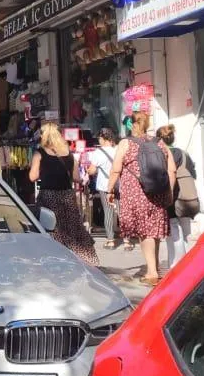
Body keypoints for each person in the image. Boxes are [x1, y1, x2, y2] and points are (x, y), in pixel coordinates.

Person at [107, 110, 176, 287]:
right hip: (158, 192)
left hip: (137, 192)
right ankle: (153, 267)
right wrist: (169, 191)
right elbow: (172, 169)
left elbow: (116, 169)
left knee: (145, 232)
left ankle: (152, 271)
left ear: (131, 124)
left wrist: (110, 190)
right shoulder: (159, 142)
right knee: (154, 231)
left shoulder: (126, 143)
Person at [29, 122, 99, 266]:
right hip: (67, 195)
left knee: (51, 228)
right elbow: (75, 178)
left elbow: (32, 177)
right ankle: (83, 259)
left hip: (48, 196)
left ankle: (54, 258)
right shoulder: (68, 154)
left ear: (44, 136)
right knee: (72, 228)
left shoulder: (39, 153)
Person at [157, 124, 201, 268]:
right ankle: (191, 263)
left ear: (159, 139)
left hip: (170, 196)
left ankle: (176, 264)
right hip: (185, 196)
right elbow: (193, 174)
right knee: (186, 229)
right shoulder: (183, 153)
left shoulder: (161, 154)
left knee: (173, 230)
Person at [81, 127, 119, 248]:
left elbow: (92, 171)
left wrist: (87, 170)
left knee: (108, 211)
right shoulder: (118, 150)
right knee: (121, 211)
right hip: (119, 184)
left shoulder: (98, 153)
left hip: (105, 186)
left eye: (99, 138)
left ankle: (110, 239)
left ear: (103, 139)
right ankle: (127, 240)